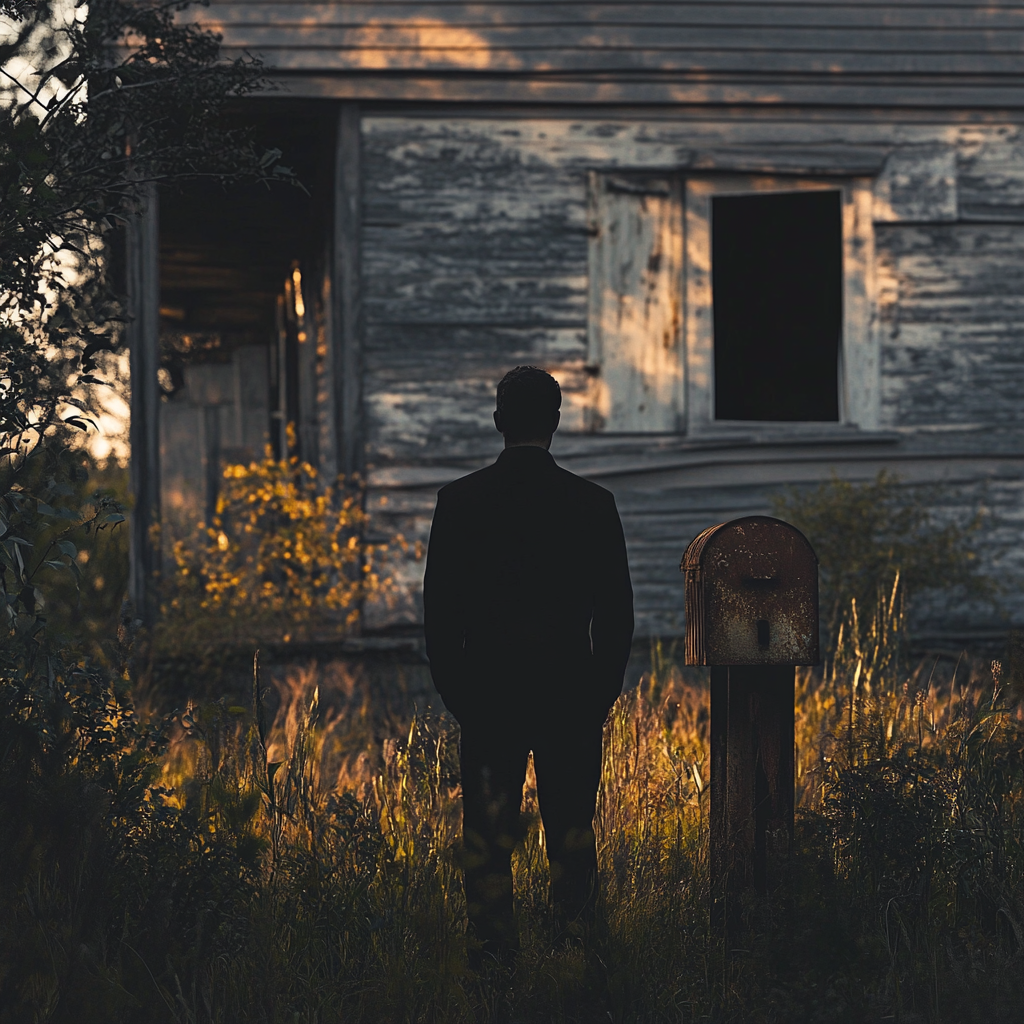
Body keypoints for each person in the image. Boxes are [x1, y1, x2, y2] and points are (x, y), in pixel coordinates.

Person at [423, 365, 634, 955]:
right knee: (571, 832)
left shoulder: (459, 502)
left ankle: (493, 959)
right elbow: (616, 616)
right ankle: (573, 947)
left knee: (488, 836)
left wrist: (461, 697)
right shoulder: (593, 505)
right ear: (556, 422)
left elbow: (439, 617)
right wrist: (598, 695)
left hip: (488, 695)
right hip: (570, 695)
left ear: (497, 422)